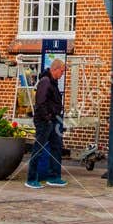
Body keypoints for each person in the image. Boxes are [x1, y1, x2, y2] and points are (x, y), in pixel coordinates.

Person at [26, 57, 67, 188]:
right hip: (45, 121)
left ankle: (54, 176)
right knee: (39, 148)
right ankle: (31, 179)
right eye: (61, 71)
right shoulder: (46, 81)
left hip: (53, 120)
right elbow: (40, 102)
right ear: (55, 69)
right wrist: (48, 118)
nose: (62, 75)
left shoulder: (53, 82)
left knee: (56, 147)